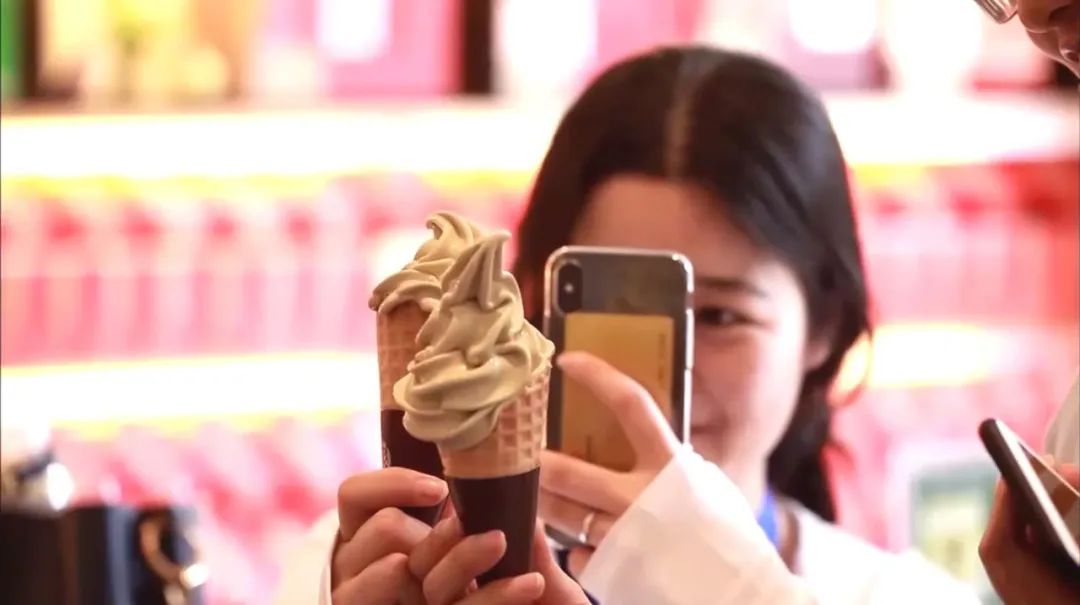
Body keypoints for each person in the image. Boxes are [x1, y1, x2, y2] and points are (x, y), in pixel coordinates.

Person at [275, 46, 982, 604]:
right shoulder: (367, 566)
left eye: (721, 316)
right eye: (616, 312)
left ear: (823, 330)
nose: (658, 380)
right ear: (528, 306)